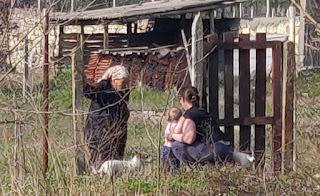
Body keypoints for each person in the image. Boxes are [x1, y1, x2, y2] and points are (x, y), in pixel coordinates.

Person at [166, 86, 233, 167]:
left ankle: (194, 169)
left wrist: (171, 135)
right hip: (226, 148)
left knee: (177, 146)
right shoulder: (203, 112)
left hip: (214, 151)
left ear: (183, 99)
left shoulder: (189, 115)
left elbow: (188, 139)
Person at [84, 56, 130, 169]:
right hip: (99, 129)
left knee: (115, 161)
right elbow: (89, 92)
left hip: (117, 131)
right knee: (98, 161)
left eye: (126, 83)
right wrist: (81, 81)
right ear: (114, 80)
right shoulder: (103, 86)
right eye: (122, 82)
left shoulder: (124, 91)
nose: (124, 85)